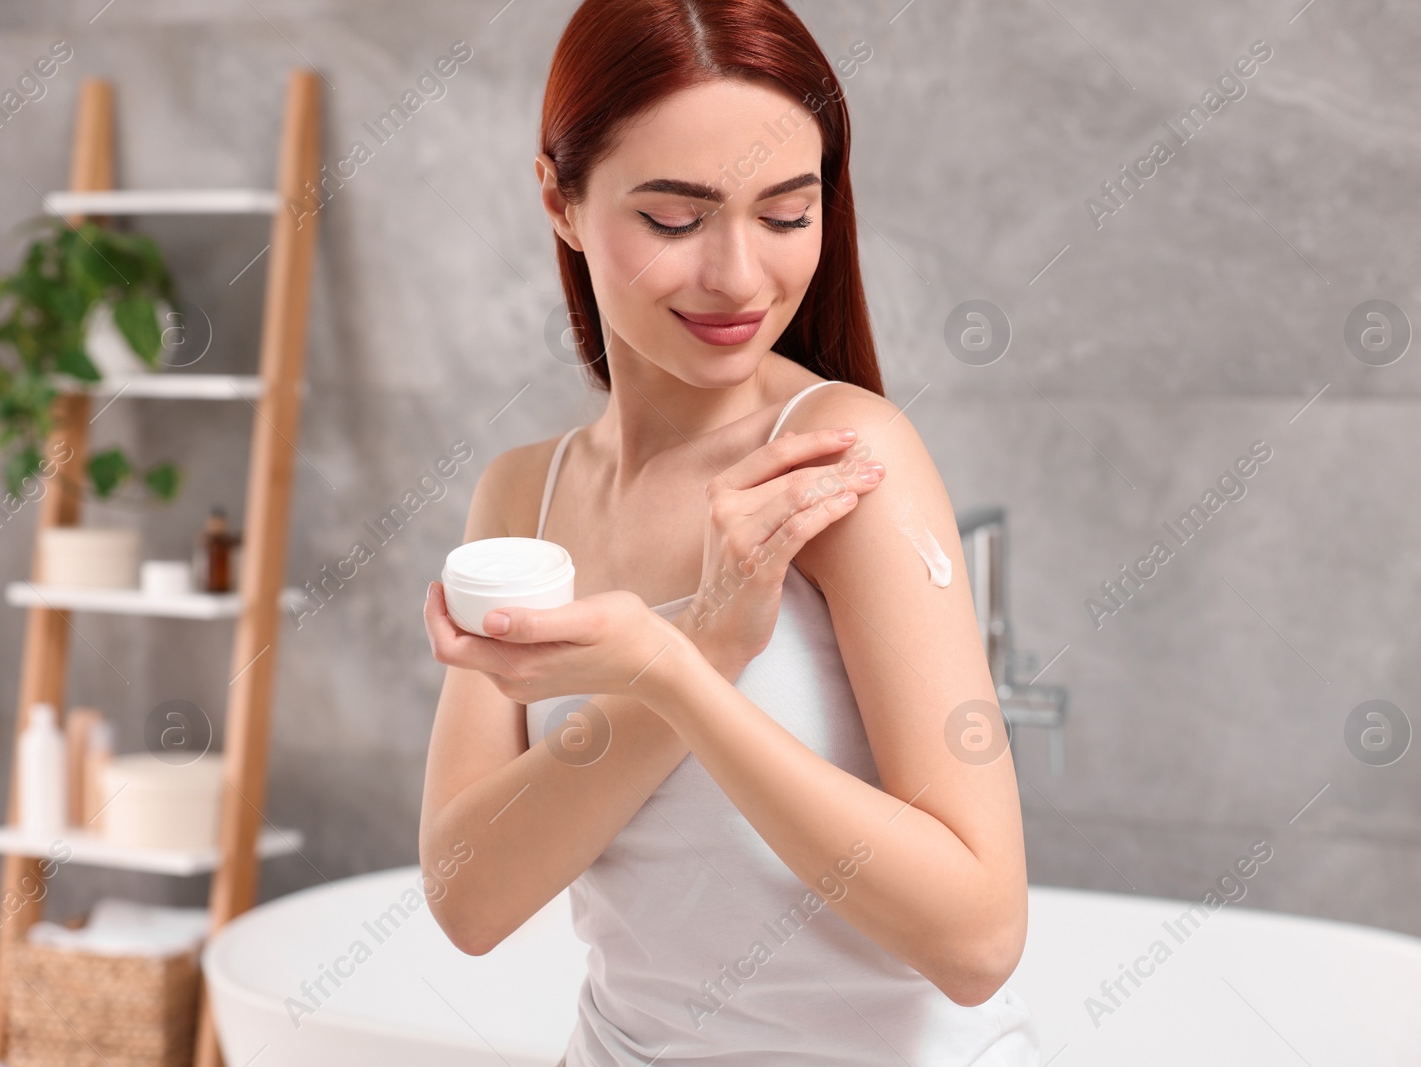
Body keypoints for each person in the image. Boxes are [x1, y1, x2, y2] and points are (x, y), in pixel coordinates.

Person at [420, 1, 1041, 1062]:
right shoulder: (525, 495)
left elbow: (979, 938)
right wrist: (701, 642)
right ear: (559, 200)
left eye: (787, 214)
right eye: (674, 218)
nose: (740, 277)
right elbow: (470, 898)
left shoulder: (837, 462)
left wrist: (676, 671)